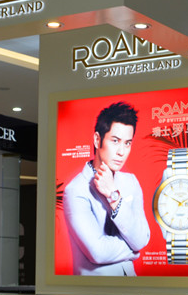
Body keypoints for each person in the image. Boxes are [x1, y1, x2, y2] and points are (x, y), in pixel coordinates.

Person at [62, 101, 150, 275]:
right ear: (97, 139)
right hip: (94, 289)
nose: (121, 152)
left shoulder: (131, 182)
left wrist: (113, 196)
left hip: (131, 286)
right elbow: (98, 252)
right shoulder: (75, 190)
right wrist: (133, 249)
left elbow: (142, 239)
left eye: (127, 143)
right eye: (115, 141)